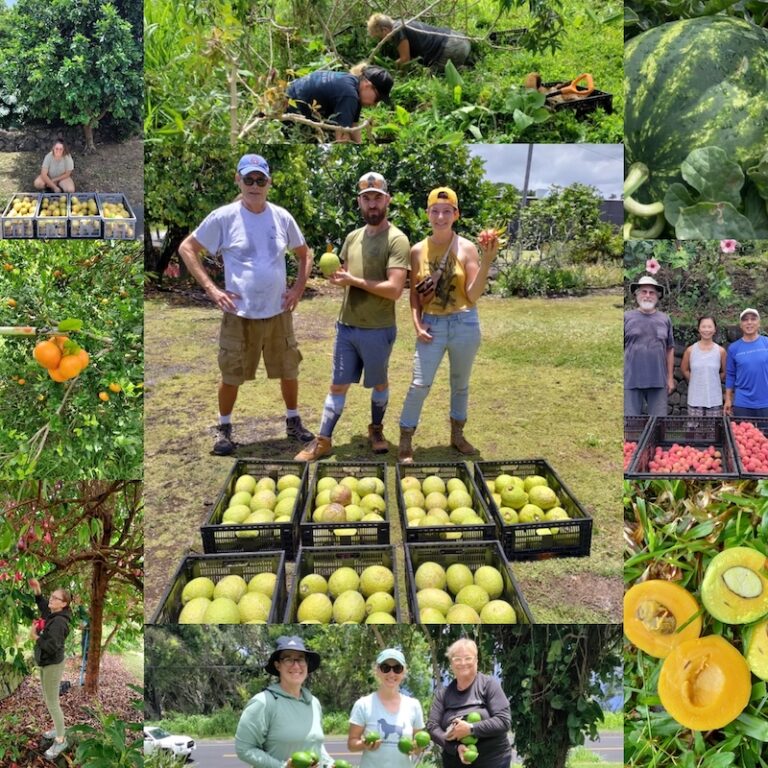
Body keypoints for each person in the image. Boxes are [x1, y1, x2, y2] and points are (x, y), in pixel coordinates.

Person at [178, 154, 315, 455]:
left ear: (269, 183)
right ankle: (224, 428)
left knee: (289, 368)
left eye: (260, 180)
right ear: (237, 180)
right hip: (239, 314)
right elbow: (188, 248)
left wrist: (297, 289)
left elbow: (305, 253)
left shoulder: (281, 217)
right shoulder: (223, 217)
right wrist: (212, 289)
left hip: (278, 311)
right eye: (248, 179)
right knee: (231, 374)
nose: (254, 185)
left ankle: (293, 421)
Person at [295, 171, 410, 461]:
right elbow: (345, 274)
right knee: (337, 384)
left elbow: (395, 289)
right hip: (347, 326)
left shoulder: (397, 240)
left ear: (388, 201)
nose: (372, 204)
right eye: (366, 198)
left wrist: (354, 281)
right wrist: (337, 278)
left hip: (378, 328)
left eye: (377, 198)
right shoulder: (352, 237)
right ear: (359, 202)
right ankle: (323, 440)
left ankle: (376, 428)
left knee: (380, 383)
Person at [398, 187, 498, 462]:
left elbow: (473, 294)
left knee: (460, 384)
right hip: (432, 324)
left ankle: (457, 435)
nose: (440, 216)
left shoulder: (466, 248)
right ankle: (406, 439)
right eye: (435, 211)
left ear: (456, 214)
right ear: (428, 213)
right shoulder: (418, 250)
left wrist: (487, 260)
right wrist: (417, 325)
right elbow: (416, 293)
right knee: (419, 383)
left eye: (446, 211)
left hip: (464, 322)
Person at [235, 636, 333, 768]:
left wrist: (330, 764)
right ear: (277, 665)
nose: (296, 665)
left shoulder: (313, 702)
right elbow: (244, 749)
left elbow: (316, 746)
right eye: (288, 659)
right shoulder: (263, 702)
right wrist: (282, 766)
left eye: (300, 659)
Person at [426, 639, 512, 768]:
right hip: (454, 762)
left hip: (492, 760)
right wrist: (455, 746)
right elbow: (432, 726)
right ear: (451, 664)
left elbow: (504, 721)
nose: (462, 663)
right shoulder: (443, 694)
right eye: (457, 659)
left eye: (468, 658)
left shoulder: (488, 685)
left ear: (476, 661)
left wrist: (470, 729)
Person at [348, 648, 427, 768]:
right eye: (385, 668)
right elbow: (352, 744)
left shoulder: (414, 705)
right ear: (377, 671)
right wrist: (364, 744)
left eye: (397, 668)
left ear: (404, 672)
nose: (391, 674)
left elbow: (419, 746)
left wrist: (416, 747)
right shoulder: (363, 704)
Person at [285, 64, 394, 143]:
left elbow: (353, 126)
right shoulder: (349, 95)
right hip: (290, 110)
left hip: (290, 94)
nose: (375, 104)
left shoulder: (352, 83)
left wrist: (359, 144)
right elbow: (341, 136)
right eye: (378, 98)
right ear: (368, 85)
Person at [28, 577, 72, 761]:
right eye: (51, 597)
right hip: (47, 662)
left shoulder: (59, 622)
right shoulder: (53, 615)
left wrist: (35, 637)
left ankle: (61, 739)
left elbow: (52, 646)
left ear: (63, 604)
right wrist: (38, 590)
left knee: (52, 702)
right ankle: (58, 728)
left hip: (53, 664)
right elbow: (43, 605)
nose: (50, 600)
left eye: (55, 598)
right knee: (48, 698)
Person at [624, 275, 675, 416]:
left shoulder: (665, 319)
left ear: (658, 296)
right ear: (636, 295)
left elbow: (669, 350)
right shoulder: (626, 317)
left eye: (651, 292)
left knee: (658, 425)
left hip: (658, 380)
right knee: (629, 425)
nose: (647, 295)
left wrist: (670, 378)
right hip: (630, 380)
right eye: (643, 291)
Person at [367, 14, 471, 68]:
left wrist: (391, 68)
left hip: (451, 46)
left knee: (430, 76)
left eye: (380, 37)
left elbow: (405, 59)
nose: (381, 40)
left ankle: (461, 68)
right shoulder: (402, 22)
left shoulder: (397, 30)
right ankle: (466, 60)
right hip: (460, 38)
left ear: (385, 30)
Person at [725, 308, 768, 417]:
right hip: (742, 403)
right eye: (745, 320)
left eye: (753, 319)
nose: (749, 322)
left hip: (765, 402)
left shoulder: (766, 343)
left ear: (759, 323)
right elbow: (730, 375)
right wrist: (728, 399)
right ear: (741, 325)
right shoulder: (733, 348)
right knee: (743, 434)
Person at [680, 316, 726, 416]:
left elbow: (724, 372)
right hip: (695, 398)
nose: (706, 330)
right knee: (695, 430)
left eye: (710, 327)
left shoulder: (720, 351)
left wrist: (713, 380)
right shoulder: (690, 350)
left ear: (715, 329)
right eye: (703, 326)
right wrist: (696, 379)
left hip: (714, 398)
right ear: (699, 329)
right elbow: (684, 369)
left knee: (713, 430)